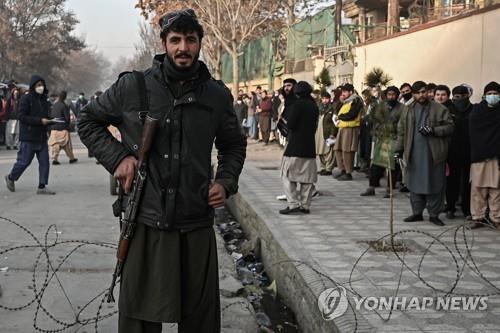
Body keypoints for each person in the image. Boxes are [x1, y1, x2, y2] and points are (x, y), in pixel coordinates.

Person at [77, 9, 246, 333]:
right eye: (176, 40)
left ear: (199, 43)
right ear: (164, 43)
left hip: (195, 223)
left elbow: (233, 145)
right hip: (145, 221)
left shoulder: (216, 95)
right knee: (139, 320)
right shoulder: (133, 88)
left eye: (190, 40)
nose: (183, 47)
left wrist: (225, 182)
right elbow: (88, 121)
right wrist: (118, 160)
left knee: (200, 320)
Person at [395, 81, 454, 226]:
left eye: (423, 92)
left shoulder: (439, 108)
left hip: (433, 153)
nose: (421, 95)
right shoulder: (407, 109)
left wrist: (433, 130)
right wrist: (398, 150)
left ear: (428, 92)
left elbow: (450, 127)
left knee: (435, 183)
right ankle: (417, 213)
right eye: (417, 93)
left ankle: (434, 214)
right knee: (414, 182)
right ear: (413, 94)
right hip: (413, 152)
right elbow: (401, 132)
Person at [4, 75, 55, 195]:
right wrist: (39, 121)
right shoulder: (26, 99)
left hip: (42, 137)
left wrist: (51, 121)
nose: (41, 87)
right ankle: (11, 177)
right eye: (38, 85)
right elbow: (21, 116)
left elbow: (46, 116)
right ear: (33, 86)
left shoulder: (44, 100)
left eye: (42, 85)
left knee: (45, 162)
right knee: (24, 161)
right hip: (28, 137)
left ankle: (42, 186)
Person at [279, 81, 319, 215]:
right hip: (309, 146)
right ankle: (305, 205)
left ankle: (293, 203)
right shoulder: (314, 106)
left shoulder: (297, 105)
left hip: (295, 145)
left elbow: (291, 124)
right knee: (307, 178)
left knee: (287, 175)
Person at [361, 86, 405, 197]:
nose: (391, 97)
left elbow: (402, 125)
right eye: (389, 94)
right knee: (376, 164)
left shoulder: (402, 108)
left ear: (397, 95)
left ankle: (389, 189)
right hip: (382, 139)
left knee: (392, 166)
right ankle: (371, 187)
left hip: (394, 139)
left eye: (394, 94)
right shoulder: (381, 106)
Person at [468, 81, 500, 229]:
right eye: (489, 94)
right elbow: (473, 134)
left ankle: (496, 218)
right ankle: (478, 217)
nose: (492, 96)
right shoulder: (477, 112)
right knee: (478, 189)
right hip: (479, 156)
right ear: (484, 95)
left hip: (497, 157)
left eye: (495, 94)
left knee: (496, 190)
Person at [445, 85, 472, 219]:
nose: (460, 99)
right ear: (453, 97)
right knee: (452, 181)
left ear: (468, 96)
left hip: (469, 151)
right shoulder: (448, 110)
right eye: (457, 97)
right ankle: (450, 207)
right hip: (452, 151)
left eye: (463, 96)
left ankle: (467, 209)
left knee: (467, 182)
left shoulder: (473, 110)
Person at [333, 83, 363, 181]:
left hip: (350, 129)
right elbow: (337, 111)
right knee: (338, 149)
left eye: (345, 92)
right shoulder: (346, 101)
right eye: (342, 92)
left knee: (347, 151)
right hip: (342, 128)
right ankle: (342, 169)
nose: (343, 94)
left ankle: (348, 172)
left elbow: (352, 114)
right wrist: (340, 102)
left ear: (351, 92)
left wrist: (340, 117)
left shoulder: (356, 100)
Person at [48, 91, 78, 165]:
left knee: (55, 144)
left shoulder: (54, 105)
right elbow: (67, 118)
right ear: (65, 97)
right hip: (63, 128)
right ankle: (71, 158)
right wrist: (68, 126)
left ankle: (55, 158)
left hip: (54, 128)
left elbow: (51, 116)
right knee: (67, 145)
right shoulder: (64, 106)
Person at [315, 91, 337, 176]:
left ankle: (329, 168)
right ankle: (323, 167)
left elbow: (335, 122)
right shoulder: (319, 108)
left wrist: (333, 133)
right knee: (320, 151)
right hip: (319, 132)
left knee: (329, 152)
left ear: (329, 99)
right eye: (323, 98)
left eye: (326, 98)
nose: (324, 100)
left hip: (328, 132)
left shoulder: (332, 108)